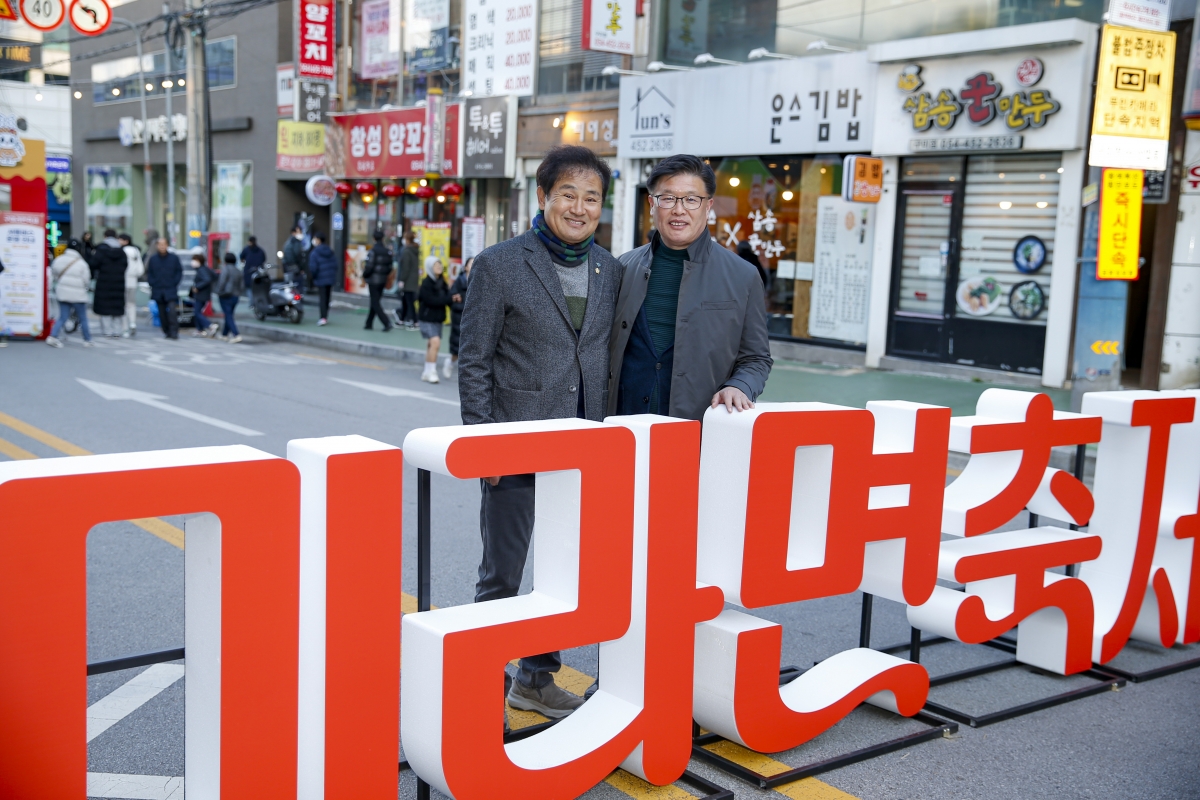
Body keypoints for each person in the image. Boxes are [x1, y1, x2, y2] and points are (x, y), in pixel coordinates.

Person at [458, 145, 621, 719]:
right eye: (568, 194)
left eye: (592, 198)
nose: (579, 208)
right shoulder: (501, 263)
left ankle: (534, 678)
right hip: (514, 445)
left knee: (562, 575)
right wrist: (483, 443)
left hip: (582, 451)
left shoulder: (609, 268)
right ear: (545, 197)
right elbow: (473, 358)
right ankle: (480, 685)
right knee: (501, 574)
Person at [609, 154, 772, 421]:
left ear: (708, 206)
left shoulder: (743, 275)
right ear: (652, 204)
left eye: (691, 199)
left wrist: (740, 386)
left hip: (699, 426)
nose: (679, 210)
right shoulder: (623, 268)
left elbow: (756, 358)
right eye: (668, 198)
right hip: (625, 426)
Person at [45, 239, 93, 348]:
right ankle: (87, 340)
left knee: (62, 316)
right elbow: (87, 279)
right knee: (83, 317)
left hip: (63, 292)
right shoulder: (82, 263)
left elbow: (55, 274)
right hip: (78, 294)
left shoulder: (59, 259)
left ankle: (53, 336)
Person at [88, 229, 128, 338]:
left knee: (104, 307)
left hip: (104, 282)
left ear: (105, 236)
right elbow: (125, 266)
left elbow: (93, 264)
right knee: (117, 307)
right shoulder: (122, 251)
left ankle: (107, 331)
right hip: (119, 283)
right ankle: (118, 330)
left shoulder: (101, 249)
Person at [417, 257, 450, 382]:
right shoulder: (426, 283)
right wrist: (447, 300)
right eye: (435, 265)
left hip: (438, 318)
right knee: (435, 342)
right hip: (427, 318)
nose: (439, 267)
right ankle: (432, 371)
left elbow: (448, 296)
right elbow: (431, 300)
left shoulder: (443, 282)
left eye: (440, 265)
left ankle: (426, 370)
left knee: (431, 344)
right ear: (430, 267)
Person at [146, 237, 183, 339]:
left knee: (172, 311)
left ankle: (174, 331)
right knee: (161, 313)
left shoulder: (173, 258)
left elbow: (179, 272)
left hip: (170, 288)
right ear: (157, 246)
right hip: (158, 289)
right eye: (160, 244)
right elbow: (149, 273)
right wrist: (152, 283)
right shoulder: (153, 259)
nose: (162, 246)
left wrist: (174, 282)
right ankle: (166, 331)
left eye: (164, 244)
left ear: (167, 245)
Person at [361, 230, 395, 332]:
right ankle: (369, 323)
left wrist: (364, 275)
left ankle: (386, 322)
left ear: (374, 239)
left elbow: (369, 266)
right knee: (375, 301)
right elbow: (390, 267)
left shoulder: (373, 251)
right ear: (383, 238)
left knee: (375, 302)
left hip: (373, 280)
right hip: (382, 280)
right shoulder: (387, 251)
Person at [446, 256, 473, 378]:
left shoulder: (481, 280)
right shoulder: (460, 280)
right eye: (471, 264)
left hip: (474, 319)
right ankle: (450, 362)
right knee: (457, 347)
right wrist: (456, 299)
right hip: (459, 317)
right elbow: (451, 296)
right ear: (466, 267)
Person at [118, 233, 145, 337]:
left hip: (122, 280)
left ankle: (124, 328)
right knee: (132, 304)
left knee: (123, 305)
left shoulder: (120, 251)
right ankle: (133, 323)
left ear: (125, 241)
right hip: (133, 281)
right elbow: (140, 269)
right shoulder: (135, 251)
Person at [308, 232, 338, 326]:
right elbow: (335, 264)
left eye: (315, 238)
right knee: (327, 298)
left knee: (322, 298)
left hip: (321, 278)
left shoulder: (315, 252)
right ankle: (325, 316)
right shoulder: (330, 251)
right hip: (330, 277)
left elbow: (313, 267)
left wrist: (313, 277)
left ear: (318, 240)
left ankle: (323, 317)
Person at [215, 251, 244, 343]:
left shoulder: (226, 269)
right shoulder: (238, 271)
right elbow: (242, 285)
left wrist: (218, 291)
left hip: (226, 295)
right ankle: (224, 334)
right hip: (235, 296)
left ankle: (236, 334)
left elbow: (222, 282)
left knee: (228, 315)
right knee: (229, 314)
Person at [396, 229, 421, 330]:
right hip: (413, 279)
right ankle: (402, 320)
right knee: (406, 300)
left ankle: (414, 322)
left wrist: (402, 280)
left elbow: (405, 268)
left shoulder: (406, 251)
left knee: (409, 301)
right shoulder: (414, 250)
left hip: (408, 281)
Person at [189, 253, 218, 337]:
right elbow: (214, 276)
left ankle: (210, 325)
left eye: (195, 260)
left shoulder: (202, 270)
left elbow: (207, 279)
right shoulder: (204, 269)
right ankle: (200, 329)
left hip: (201, 294)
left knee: (197, 312)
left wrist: (197, 287)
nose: (193, 262)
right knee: (197, 311)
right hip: (203, 294)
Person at [281, 225, 307, 290]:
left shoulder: (289, 242)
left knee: (290, 288)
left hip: (290, 269)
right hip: (295, 270)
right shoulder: (295, 243)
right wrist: (301, 268)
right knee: (297, 289)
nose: (301, 234)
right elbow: (298, 256)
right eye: (299, 232)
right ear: (293, 233)